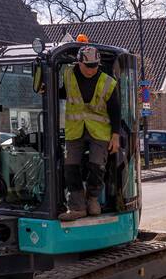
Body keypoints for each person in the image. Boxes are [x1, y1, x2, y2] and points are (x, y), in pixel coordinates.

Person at [51, 45, 120, 221]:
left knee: (97, 165)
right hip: (75, 129)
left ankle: (93, 199)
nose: (91, 70)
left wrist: (115, 136)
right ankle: (77, 207)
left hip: (99, 131)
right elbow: (63, 93)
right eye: (88, 66)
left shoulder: (108, 82)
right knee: (70, 167)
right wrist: (47, 89)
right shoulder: (68, 75)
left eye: (95, 66)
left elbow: (115, 111)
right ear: (79, 63)